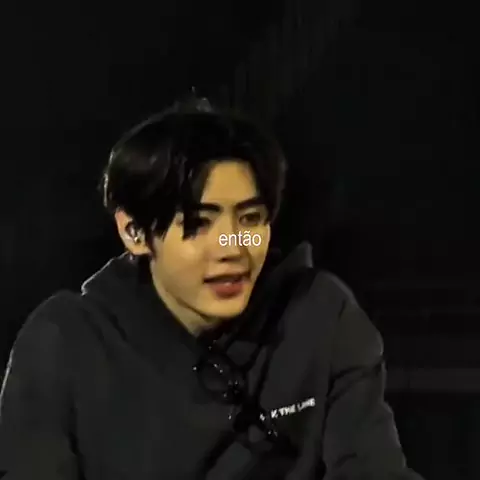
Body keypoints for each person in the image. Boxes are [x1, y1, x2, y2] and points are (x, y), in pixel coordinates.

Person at [0, 97, 424, 479]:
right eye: (199, 223)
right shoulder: (64, 342)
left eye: (250, 218)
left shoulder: (322, 316)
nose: (232, 248)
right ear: (134, 232)